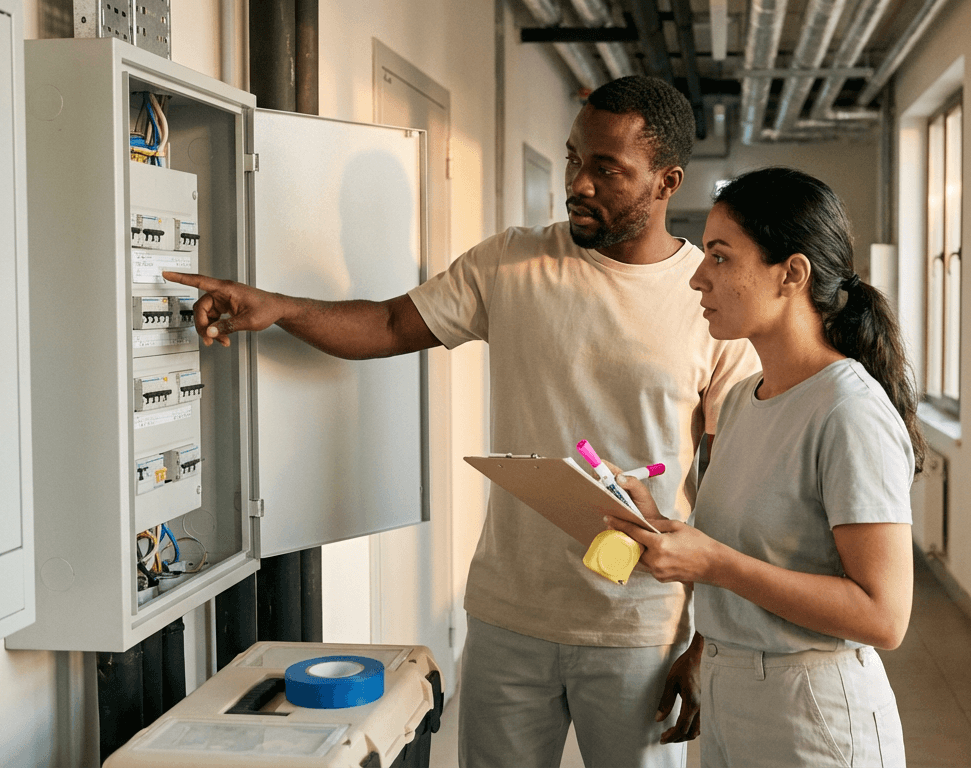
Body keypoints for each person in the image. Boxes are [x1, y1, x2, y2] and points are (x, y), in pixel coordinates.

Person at [163, 75, 758, 768]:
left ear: (667, 182)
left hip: (640, 627)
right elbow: (388, 323)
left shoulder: (709, 308)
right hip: (509, 614)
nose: (580, 183)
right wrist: (280, 307)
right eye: (573, 159)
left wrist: (708, 639)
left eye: (607, 169)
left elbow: (733, 489)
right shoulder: (512, 261)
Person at [606, 167, 925, 767]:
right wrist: (661, 531)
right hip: (733, 691)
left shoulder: (849, 411)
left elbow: (884, 617)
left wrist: (715, 564)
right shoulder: (744, 398)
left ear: (793, 274)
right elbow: (750, 549)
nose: (697, 276)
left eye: (721, 258)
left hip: (814, 711)